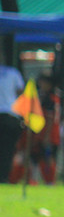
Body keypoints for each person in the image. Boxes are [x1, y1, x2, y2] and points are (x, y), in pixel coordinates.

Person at [0, 47, 25, 183]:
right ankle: (4, 176)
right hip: (10, 115)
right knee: (8, 149)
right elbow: (20, 93)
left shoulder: (13, 72)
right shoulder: (13, 73)